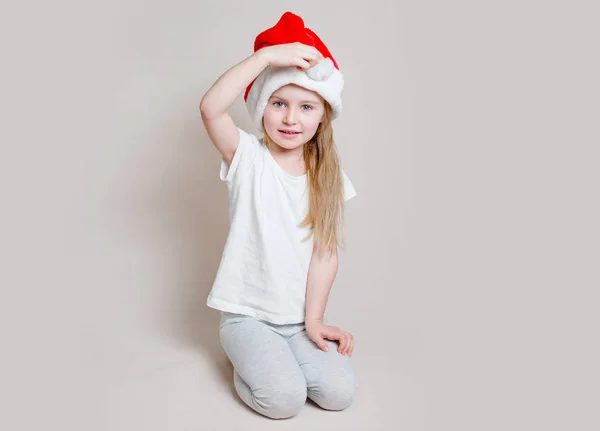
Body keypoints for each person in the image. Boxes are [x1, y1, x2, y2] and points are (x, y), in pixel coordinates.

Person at [199, 11, 358, 419]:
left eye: (306, 106)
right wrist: (266, 59)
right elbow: (211, 108)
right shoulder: (248, 157)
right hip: (247, 318)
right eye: (279, 103)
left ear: (323, 116)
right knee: (284, 400)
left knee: (339, 393)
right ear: (262, 106)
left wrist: (315, 320)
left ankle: (279, 358)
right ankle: (246, 366)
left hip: (296, 320)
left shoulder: (328, 174)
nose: (291, 118)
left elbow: (325, 252)